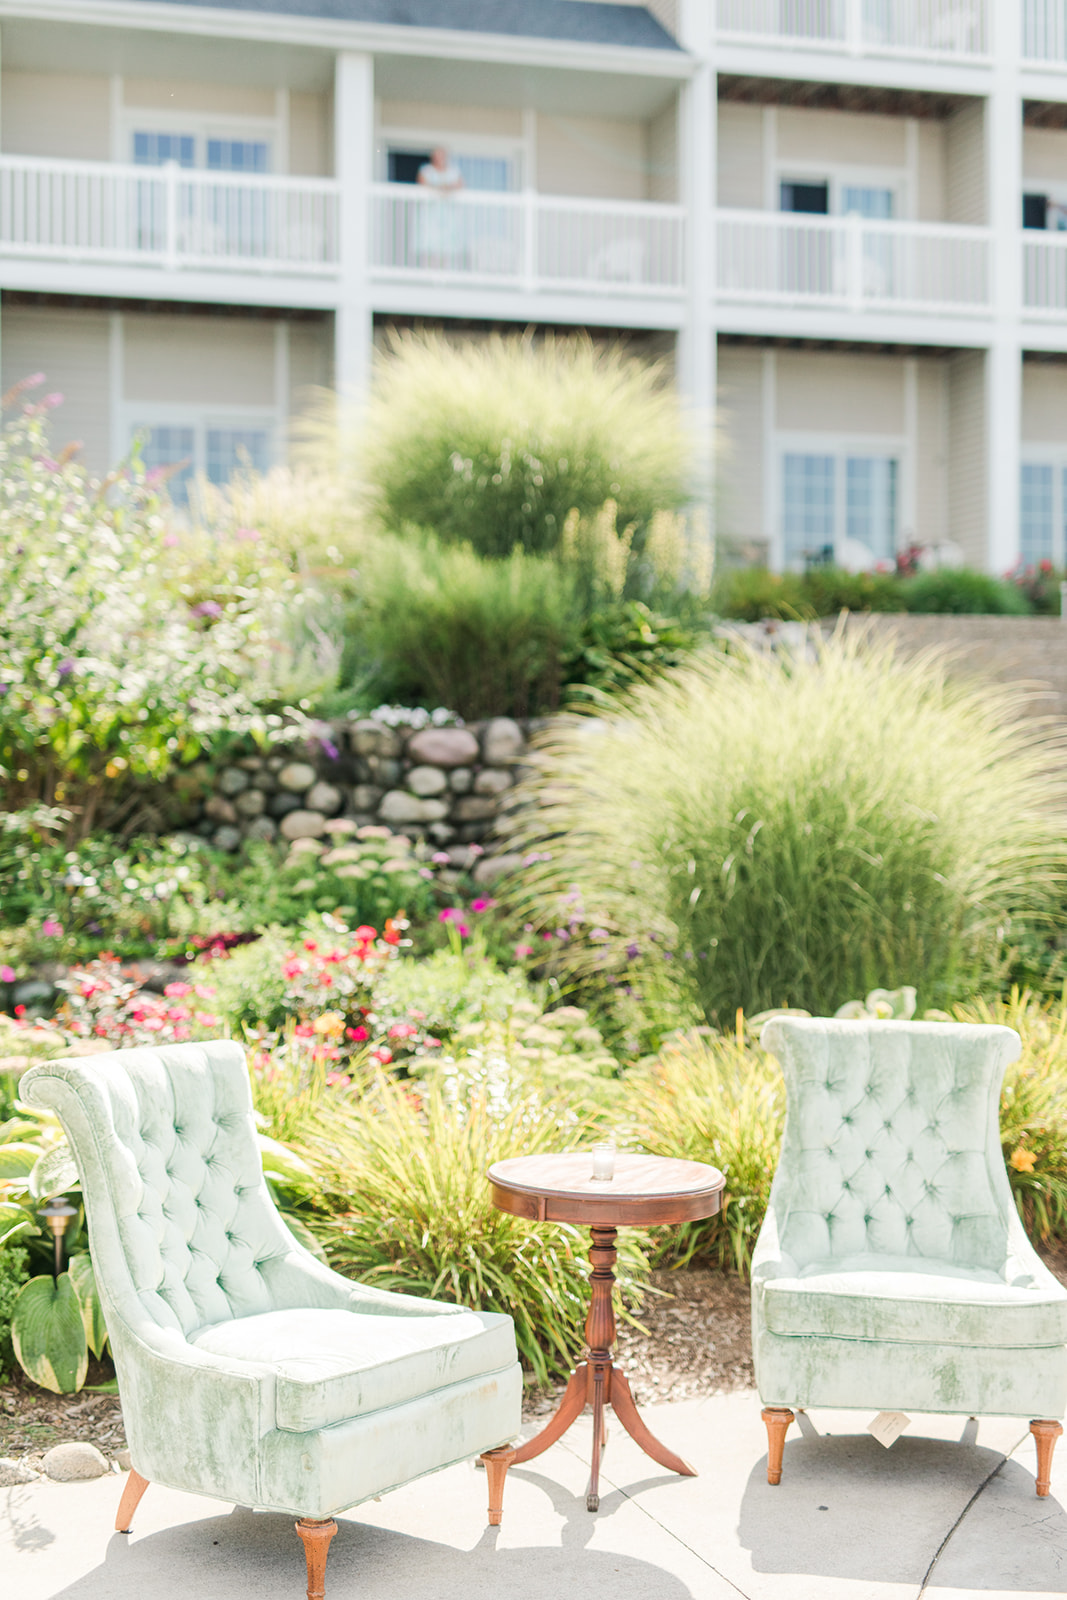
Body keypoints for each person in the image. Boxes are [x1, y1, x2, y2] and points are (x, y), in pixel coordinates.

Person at [415, 147, 464, 266]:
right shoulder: (426, 170)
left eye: (442, 155)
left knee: (447, 247)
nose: (440, 158)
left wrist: (441, 188)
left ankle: (444, 277)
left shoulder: (453, 171)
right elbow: (422, 183)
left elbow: (459, 185)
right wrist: (443, 189)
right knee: (430, 247)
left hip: (448, 215)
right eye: (437, 155)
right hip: (430, 215)